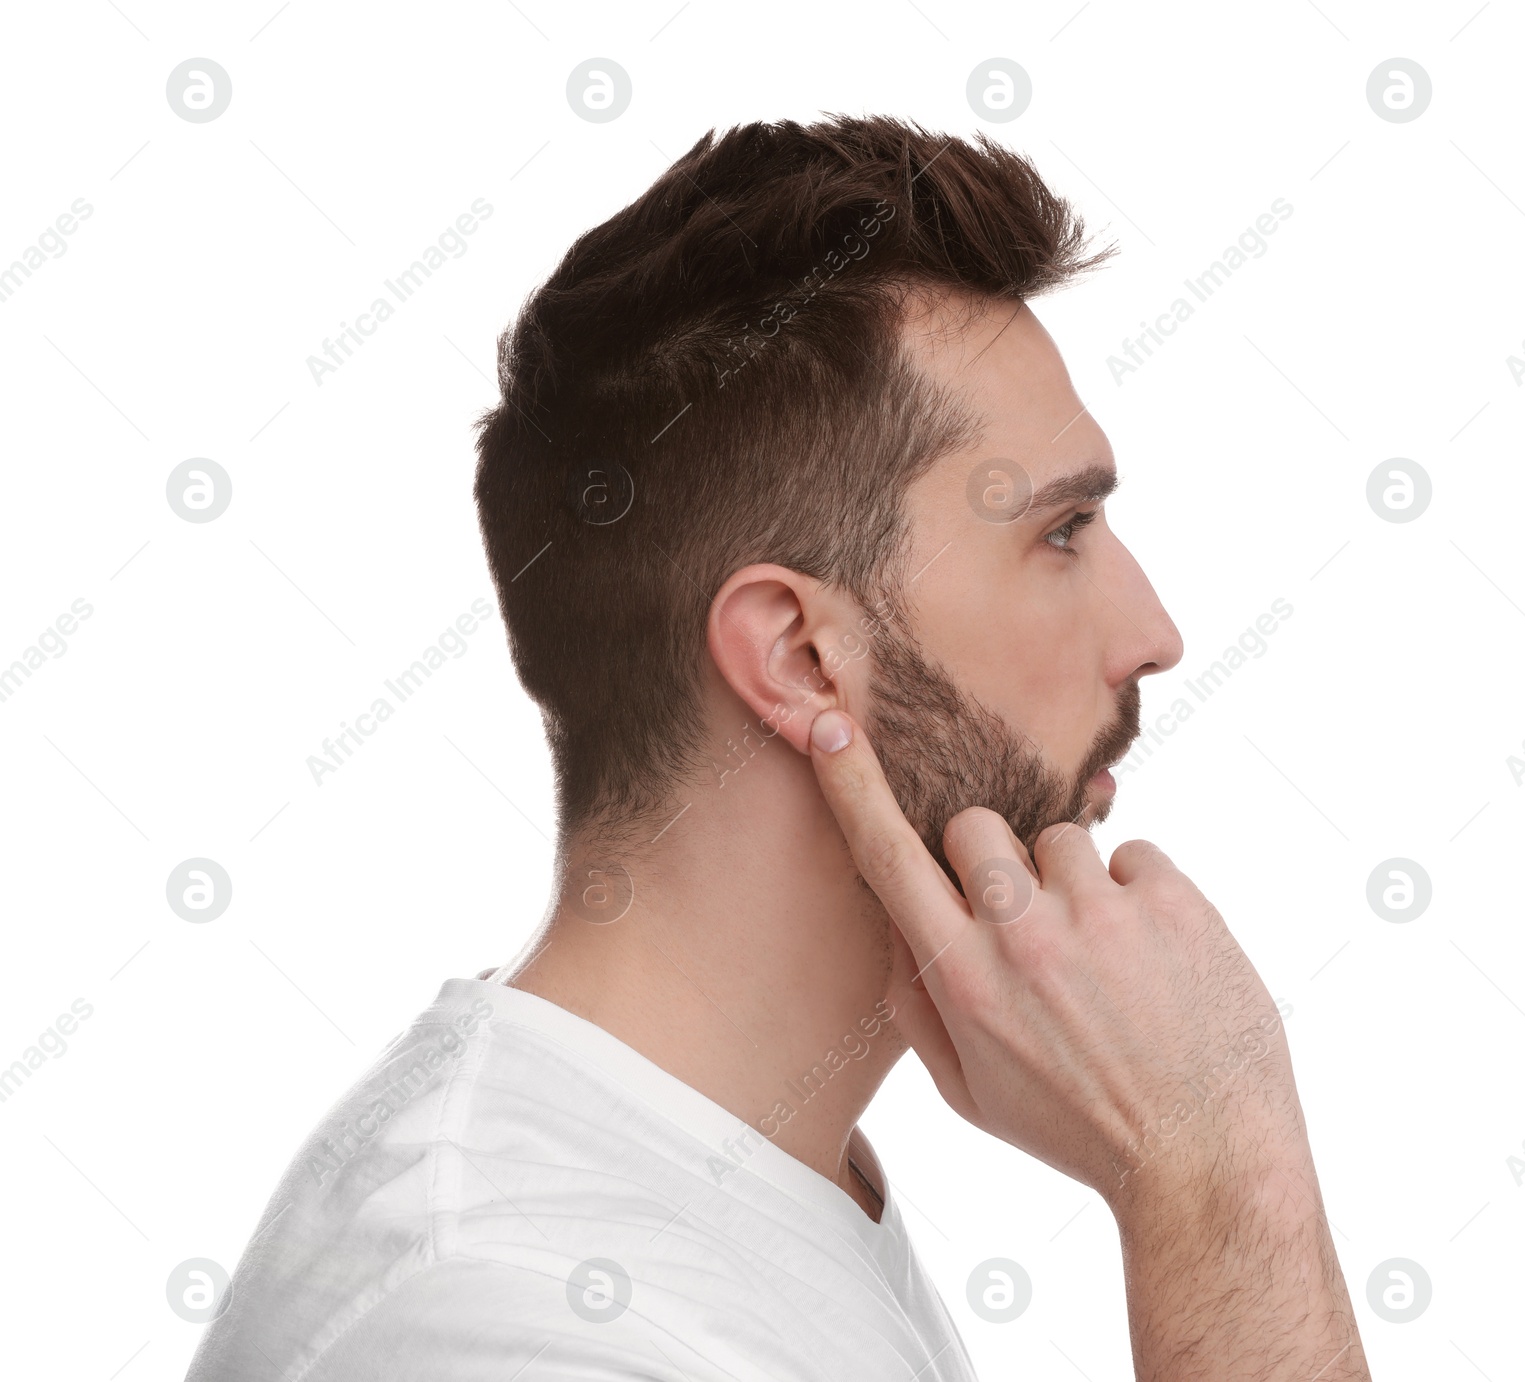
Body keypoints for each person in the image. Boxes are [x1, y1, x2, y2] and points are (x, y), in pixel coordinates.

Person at [186, 114, 1367, 1381]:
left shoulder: (746, 1183)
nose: (1154, 633)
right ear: (802, 658)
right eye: (1062, 531)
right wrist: (1212, 1169)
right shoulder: (510, 1313)